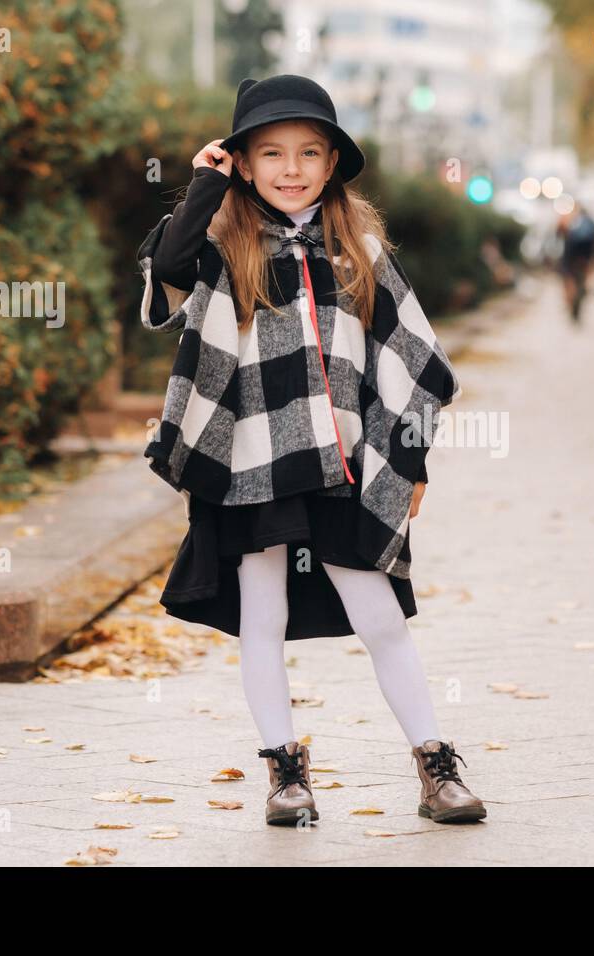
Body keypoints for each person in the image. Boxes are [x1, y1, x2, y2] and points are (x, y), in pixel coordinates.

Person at [136, 74, 486, 827]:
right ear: (245, 162)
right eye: (269, 153)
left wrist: (411, 462)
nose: (290, 168)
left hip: (350, 468)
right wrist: (204, 185)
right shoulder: (221, 246)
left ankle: (435, 766)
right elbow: (164, 271)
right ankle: (286, 774)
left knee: (380, 617)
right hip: (252, 466)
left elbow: (415, 360)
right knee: (262, 615)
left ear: (331, 165)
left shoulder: (357, 249)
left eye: (307, 153)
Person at [557, 205, 594, 323]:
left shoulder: (571, 222)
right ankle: (576, 307)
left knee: (571, 285)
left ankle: (573, 306)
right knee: (579, 285)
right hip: (584, 260)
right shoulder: (590, 223)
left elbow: (560, 235)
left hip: (570, 259)